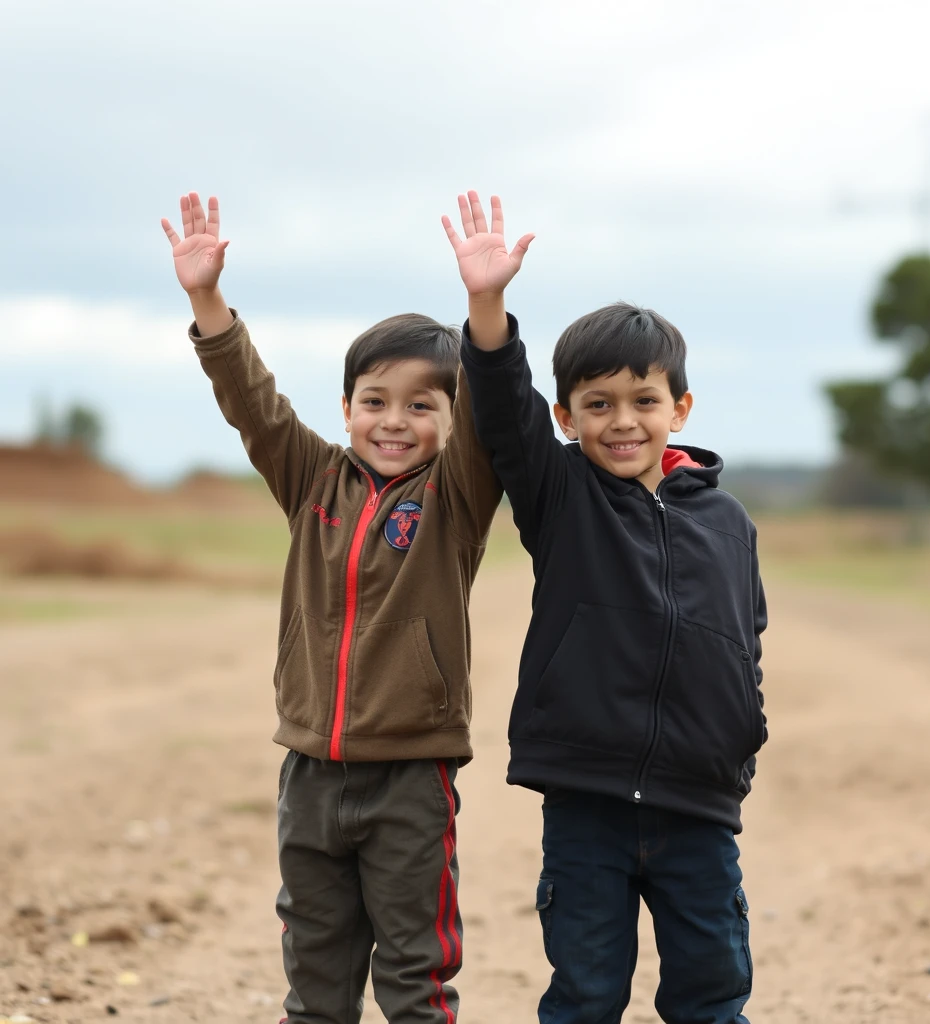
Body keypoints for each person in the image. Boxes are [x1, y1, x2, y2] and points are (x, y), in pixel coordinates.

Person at [161, 192, 502, 1024]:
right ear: (346, 407)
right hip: (310, 774)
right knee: (314, 979)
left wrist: (484, 307)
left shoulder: (456, 496)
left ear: (453, 422)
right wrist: (207, 301)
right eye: (374, 401)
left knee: (414, 983)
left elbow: (496, 415)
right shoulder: (313, 480)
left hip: (410, 780)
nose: (394, 421)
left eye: (422, 406)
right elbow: (251, 401)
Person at [441, 191, 768, 1024]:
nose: (622, 422)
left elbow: (744, 641)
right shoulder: (561, 495)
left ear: (680, 409)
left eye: (643, 401)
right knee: (586, 990)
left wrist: (742, 739)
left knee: (713, 989)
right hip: (587, 802)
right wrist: (488, 305)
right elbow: (505, 412)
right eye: (597, 405)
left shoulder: (727, 522)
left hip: (699, 807)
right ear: (567, 417)